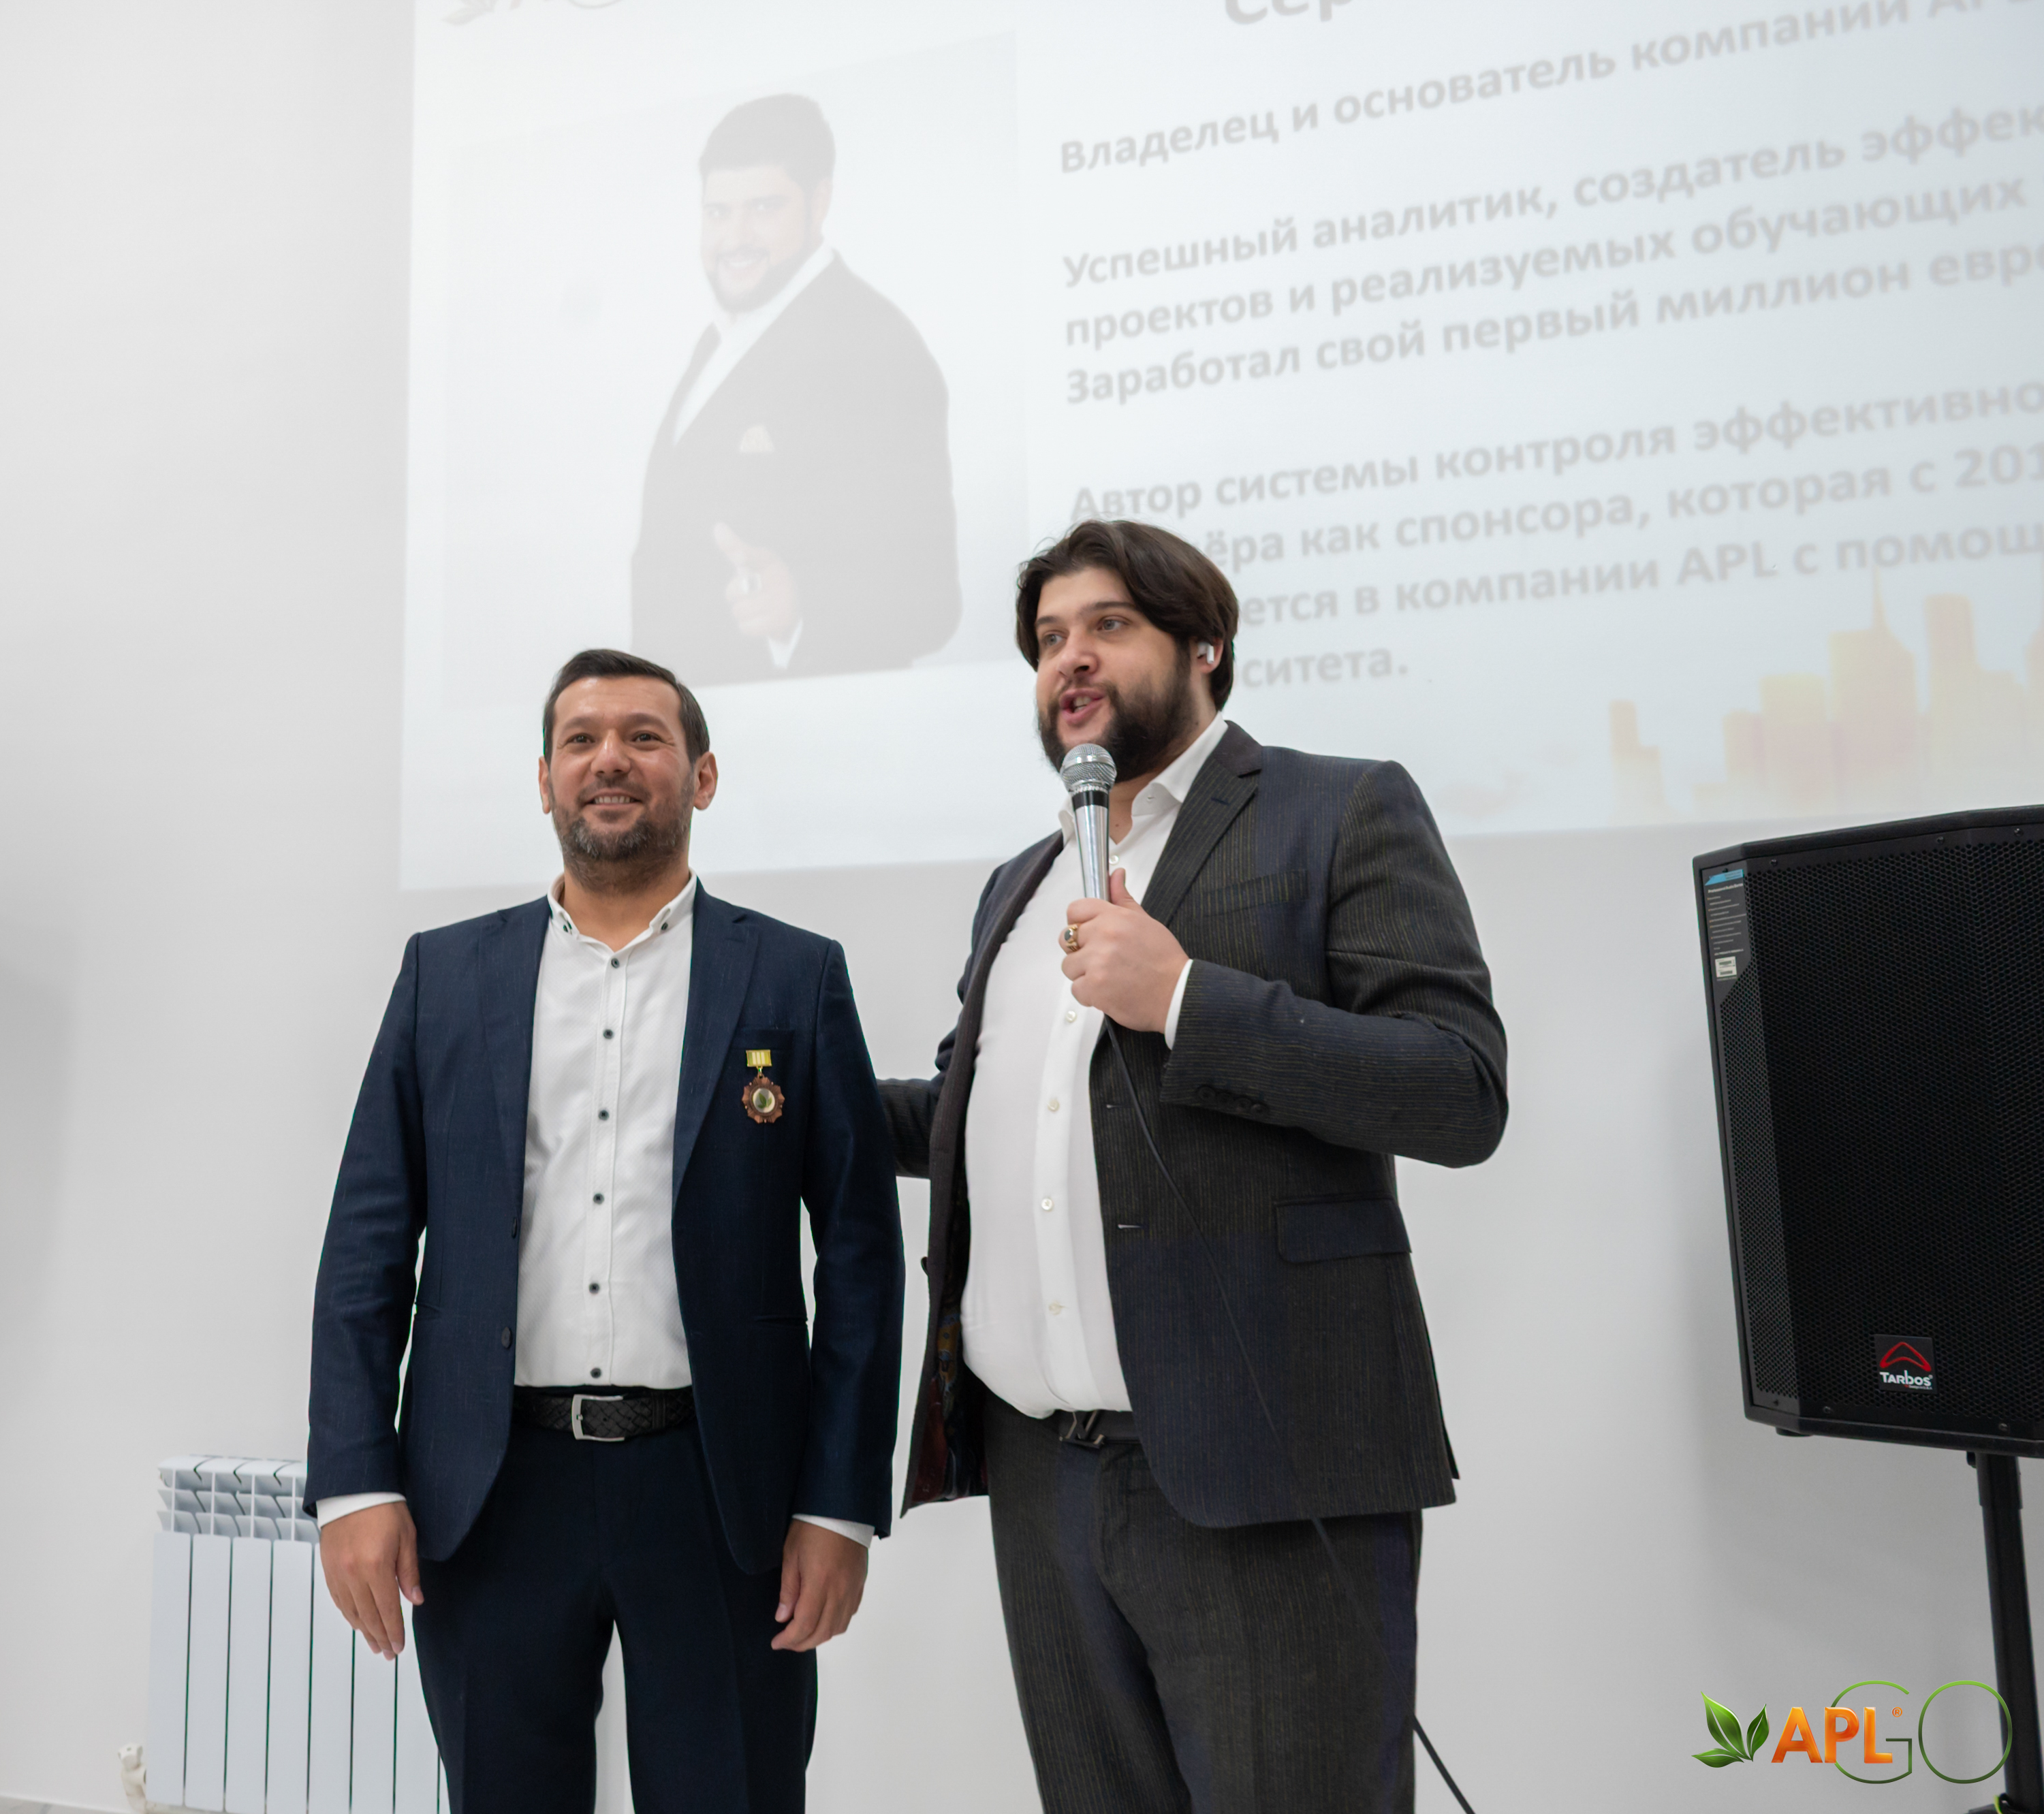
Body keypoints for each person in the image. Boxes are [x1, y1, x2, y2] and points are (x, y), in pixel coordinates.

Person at [879, 520, 1509, 1811]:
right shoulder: (1022, 883)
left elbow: (1458, 1087)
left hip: (1261, 1470)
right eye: (1048, 639)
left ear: (1204, 644)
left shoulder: (1339, 808)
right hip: (1043, 1479)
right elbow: (970, 1113)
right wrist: (793, 1098)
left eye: (1106, 626)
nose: (1070, 659)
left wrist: (1184, 998)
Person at [307, 648, 905, 1813]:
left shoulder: (793, 976)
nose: (609, 760)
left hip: (721, 1492)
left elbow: (861, 1259)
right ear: (544, 779)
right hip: (491, 1487)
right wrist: (353, 1481)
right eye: (580, 739)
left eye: (644, 736)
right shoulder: (445, 976)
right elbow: (366, 1243)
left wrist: (837, 1501)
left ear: (703, 774)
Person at [629, 94, 959, 686]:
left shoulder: (874, 347)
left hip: (810, 725)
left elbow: (930, 599)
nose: (735, 236)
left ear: (819, 201)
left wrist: (802, 609)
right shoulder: (721, 340)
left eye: (763, 207)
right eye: (718, 212)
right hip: (692, 725)